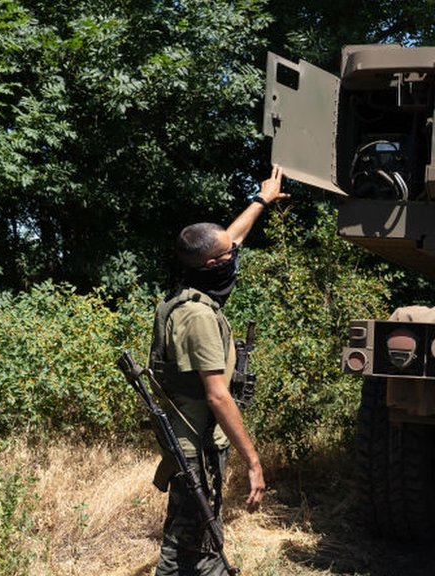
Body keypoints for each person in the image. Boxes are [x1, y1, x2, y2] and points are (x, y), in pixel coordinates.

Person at [147, 166, 288, 575]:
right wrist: (254, 461)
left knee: (185, 541)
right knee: (201, 550)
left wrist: (261, 200)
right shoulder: (198, 317)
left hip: (192, 443)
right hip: (198, 446)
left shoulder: (189, 292)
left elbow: (232, 238)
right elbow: (217, 395)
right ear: (212, 264)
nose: (236, 256)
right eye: (229, 256)